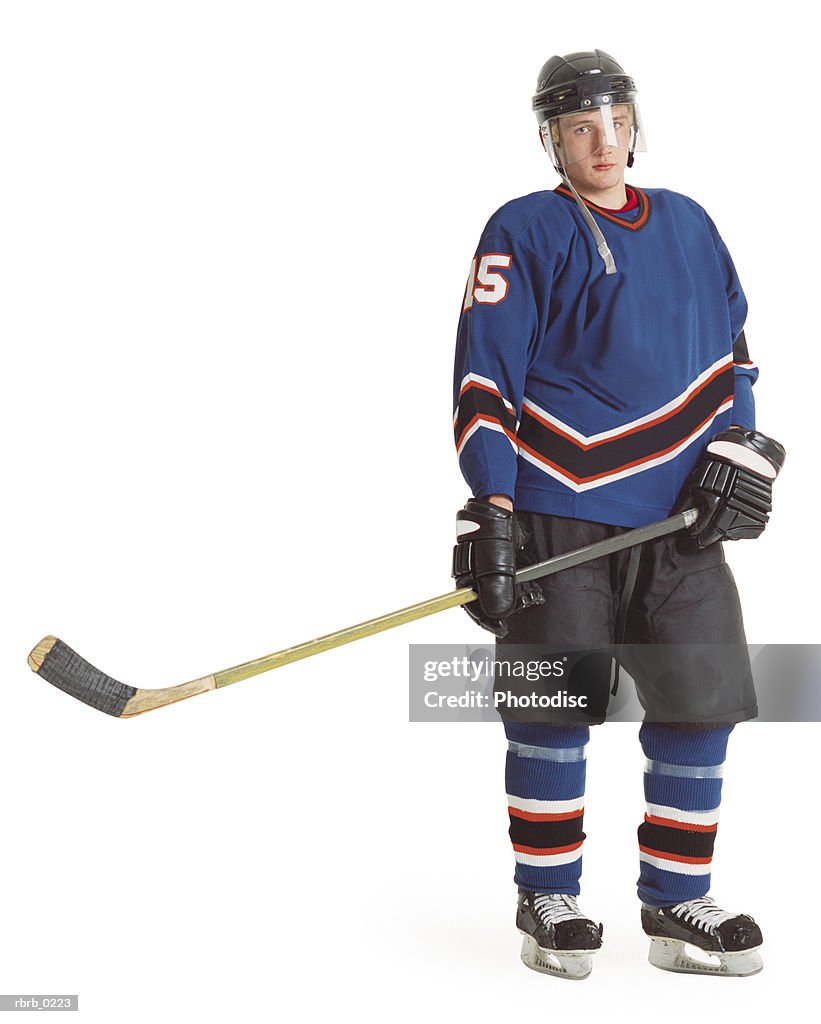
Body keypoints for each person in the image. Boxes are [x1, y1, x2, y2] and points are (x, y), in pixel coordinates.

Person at [451, 49, 784, 979]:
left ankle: (677, 903)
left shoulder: (689, 224)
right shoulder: (522, 227)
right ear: (551, 138)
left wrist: (741, 454)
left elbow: (736, 358)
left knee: (700, 705)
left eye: (614, 121)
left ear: (635, 125)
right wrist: (493, 508)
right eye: (578, 127)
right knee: (553, 709)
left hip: (680, 522)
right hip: (560, 507)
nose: (601, 142)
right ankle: (547, 895)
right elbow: (485, 378)